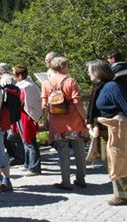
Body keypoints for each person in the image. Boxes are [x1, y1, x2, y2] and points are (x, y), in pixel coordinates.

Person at [41, 56, 88, 191]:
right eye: (67, 65)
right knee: (79, 151)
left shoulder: (46, 83)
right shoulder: (70, 82)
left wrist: (46, 121)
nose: (69, 67)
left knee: (63, 153)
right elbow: (77, 103)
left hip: (57, 125)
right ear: (62, 67)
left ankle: (66, 182)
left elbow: (44, 105)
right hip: (74, 123)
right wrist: (86, 118)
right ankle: (80, 179)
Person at [86, 59, 127, 206]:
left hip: (114, 128)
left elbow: (125, 104)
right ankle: (120, 192)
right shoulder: (99, 86)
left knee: (117, 160)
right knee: (106, 159)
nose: (88, 73)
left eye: (90, 70)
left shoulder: (112, 86)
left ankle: (122, 195)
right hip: (103, 129)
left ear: (97, 72)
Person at [13, 65, 42, 175]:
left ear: (20, 76)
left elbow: (23, 101)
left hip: (27, 115)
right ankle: (28, 163)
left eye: (15, 75)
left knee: (30, 141)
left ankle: (34, 167)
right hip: (22, 114)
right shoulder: (24, 85)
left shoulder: (27, 86)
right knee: (25, 140)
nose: (14, 77)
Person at [0, 63, 25, 166]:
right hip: (15, 109)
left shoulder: (5, 80)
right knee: (15, 134)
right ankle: (19, 156)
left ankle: (19, 157)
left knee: (13, 135)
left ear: (1, 70)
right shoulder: (10, 78)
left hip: (11, 110)